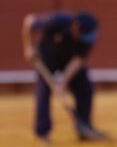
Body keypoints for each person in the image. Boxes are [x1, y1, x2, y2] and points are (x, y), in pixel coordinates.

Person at [22, 11, 106, 144]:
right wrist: (28, 46)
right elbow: (29, 22)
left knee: (85, 87)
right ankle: (42, 133)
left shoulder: (87, 38)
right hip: (47, 60)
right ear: (75, 27)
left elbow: (78, 60)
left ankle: (84, 126)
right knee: (43, 93)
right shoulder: (56, 21)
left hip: (68, 62)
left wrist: (63, 82)